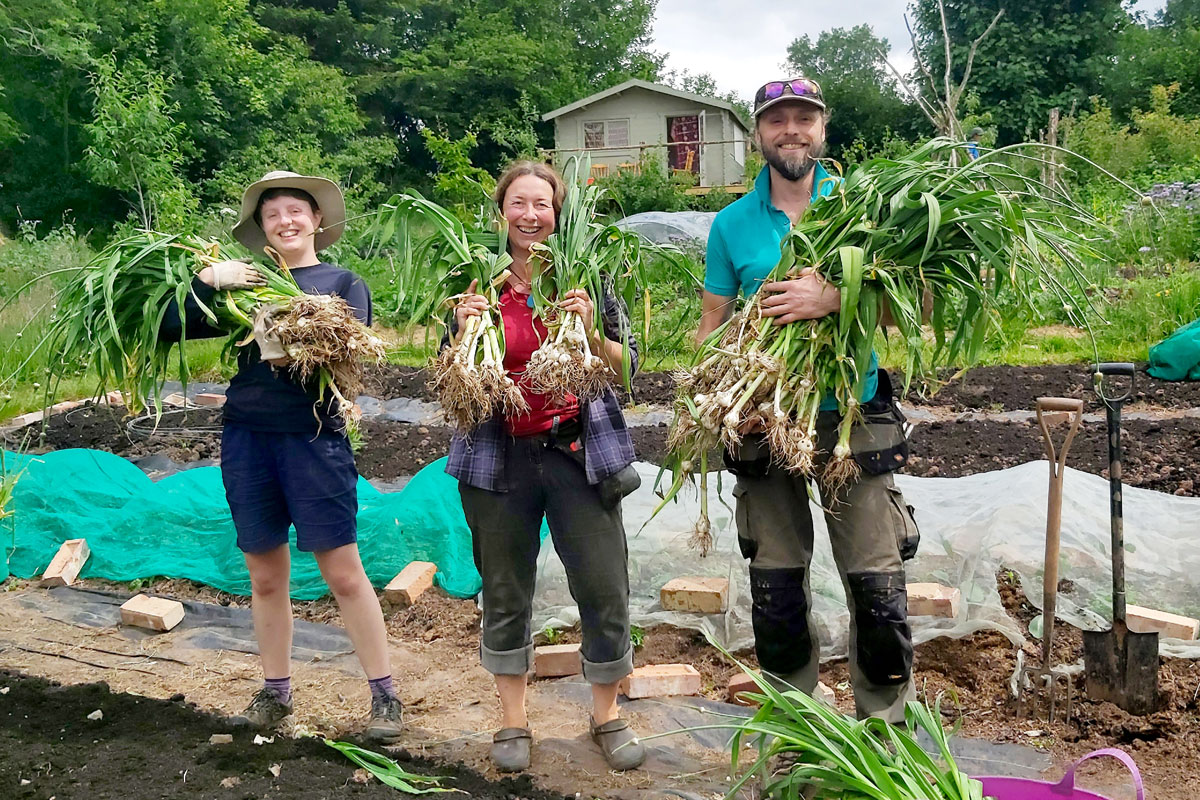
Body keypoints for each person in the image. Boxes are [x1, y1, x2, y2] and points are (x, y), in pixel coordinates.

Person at [696, 79, 920, 724]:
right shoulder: (732, 224)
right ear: (758, 136)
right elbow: (714, 321)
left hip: (854, 414)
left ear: (823, 129)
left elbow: (921, 305)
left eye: (804, 119)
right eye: (777, 121)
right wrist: (708, 395)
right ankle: (798, 725)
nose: (790, 130)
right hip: (767, 416)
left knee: (877, 581)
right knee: (776, 583)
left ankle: (885, 728)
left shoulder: (868, 209)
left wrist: (837, 296)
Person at [160, 171, 404, 742]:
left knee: (342, 573)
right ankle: (276, 693)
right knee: (265, 577)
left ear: (317, 220)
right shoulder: (239, 284)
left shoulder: (343, 282)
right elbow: (169, 326)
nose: (286, 221)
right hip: (248, 437)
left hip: (314, 438)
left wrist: (293, 314)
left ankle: (384, 694)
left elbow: (349, 347)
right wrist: (204, 282)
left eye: (297, 211)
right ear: (262, 227)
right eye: (273, 215)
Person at [447, 161, 645, 772]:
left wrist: (589, 329)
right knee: (505, 589)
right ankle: (513, 720)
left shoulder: (587, 277)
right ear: (501, 210)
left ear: (561, 215)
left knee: (603, 585)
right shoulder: (472, 282)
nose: (531, 215)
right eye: (519, 203)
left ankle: (606, 714)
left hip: (575, 453)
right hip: (498, 454)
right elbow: (450, 376)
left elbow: (627, 369)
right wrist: (460, 331)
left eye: (544, 205)